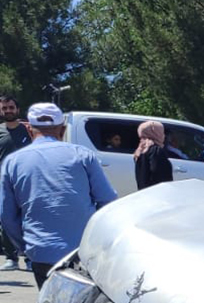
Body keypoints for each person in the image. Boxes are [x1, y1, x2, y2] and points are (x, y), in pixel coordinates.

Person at [0, 103, 118, 288]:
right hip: (81, 252)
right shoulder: (83, 155)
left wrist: (25, 246)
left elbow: (7, 216)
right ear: (63, 129)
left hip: (40, 251)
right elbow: (108, 201)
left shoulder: (12, 162)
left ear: (29, 129)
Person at [0, 94, 32, 271]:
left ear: (17, 110)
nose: (8, 111)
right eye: (4, 108)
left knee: (28, 220)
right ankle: (11, 258)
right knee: (6, 220)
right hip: (3, 183)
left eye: (11, 107)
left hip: (26, 181)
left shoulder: (29, 130)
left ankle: (29, 259)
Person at [133, 120, 174, 189]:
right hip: (157, 194)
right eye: (162, 132)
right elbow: (160, 176)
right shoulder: (156, 150)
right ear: (156, 133)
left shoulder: (140, 150)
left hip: (144, 193)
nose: (164, 135)